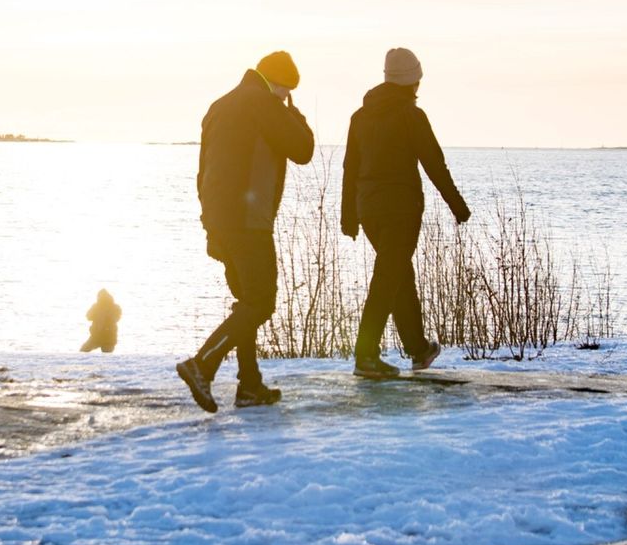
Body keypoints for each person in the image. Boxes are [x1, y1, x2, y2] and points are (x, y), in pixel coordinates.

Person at [176, 51, 315, 412]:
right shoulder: (265, 104)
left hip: (219, 218)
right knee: (260, 301)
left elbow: (204, 168)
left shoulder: (220, 105)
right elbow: (303, 150)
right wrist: (294, 114)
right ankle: (202, 364)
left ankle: (250, 385)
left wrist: (210, 224)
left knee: (245, 304)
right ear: (278, 83)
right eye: (287, 90)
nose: (287, 96)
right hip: (248, 221)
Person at [342, 48, 471, 378]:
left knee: (398, 275)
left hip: (368, 208)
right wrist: (457, 205)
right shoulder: (412, 116)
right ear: (412, 81)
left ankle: (417, 349)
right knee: (388, 278)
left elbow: (350, 168)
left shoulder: (360, 117)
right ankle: (365, 355)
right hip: (401, 210)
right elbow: (434, 164)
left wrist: (349, 216)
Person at [80, 289, 121, 353]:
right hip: (98, 336)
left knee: (83, 352)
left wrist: (104, 317)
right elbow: (88, 317)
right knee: (83, 351)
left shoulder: (113, 307)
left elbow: (116, 318)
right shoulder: (97, 306)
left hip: (107, 336)